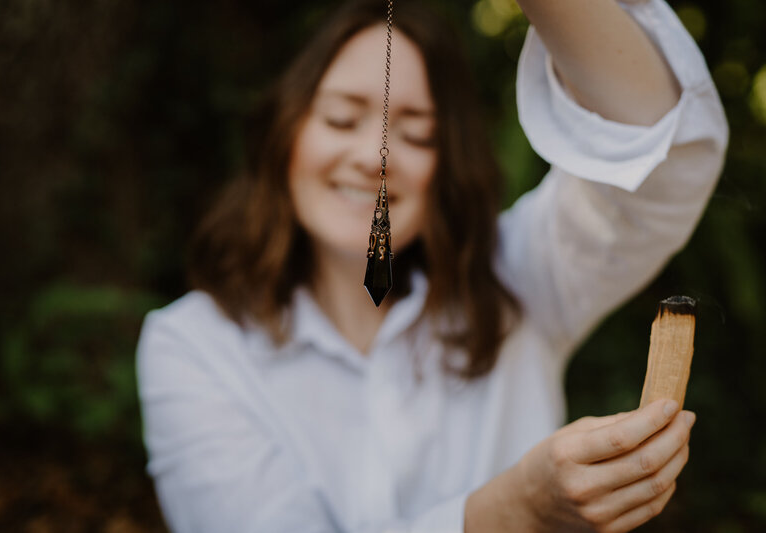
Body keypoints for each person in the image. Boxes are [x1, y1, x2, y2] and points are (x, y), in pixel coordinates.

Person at [136, 0, 728, 531]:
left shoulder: (523, 276)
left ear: (450, 166)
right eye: (342, 120)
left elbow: (663, 155)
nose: (374, 157)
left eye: (415, 135)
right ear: (283, 134)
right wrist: (516, 510)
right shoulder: (192, 346)